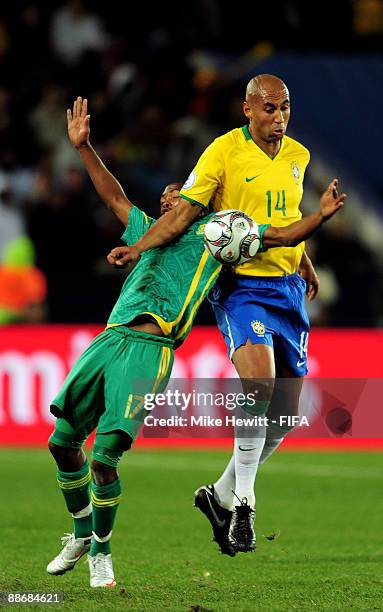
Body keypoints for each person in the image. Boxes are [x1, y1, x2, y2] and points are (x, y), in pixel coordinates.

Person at [46, 96, 344, 587]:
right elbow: (113, 194)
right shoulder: (146, 226)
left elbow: (273, 232)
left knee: (105, 457)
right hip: (107, 341)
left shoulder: (213, 235)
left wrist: (312, 234)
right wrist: (84, 148)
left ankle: (103, 549)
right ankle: (80, 534)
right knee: (62, 444)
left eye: (180, 196)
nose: (171, 198)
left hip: (151, 351)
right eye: (168, 197)